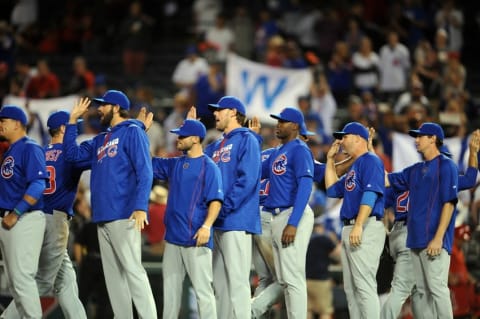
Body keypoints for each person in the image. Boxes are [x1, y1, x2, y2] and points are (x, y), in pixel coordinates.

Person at [63, 90, 157, 318]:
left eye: (104, 105)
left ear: (116, 108)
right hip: (102, 216)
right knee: (114, 278)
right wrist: (72, 121)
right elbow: (72, 157)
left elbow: (145, 172)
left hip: (125, 213)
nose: (99, 109)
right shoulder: (100, 139)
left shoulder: (133, 131)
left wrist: (140, 206)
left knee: (133, 272)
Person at [381, 131, 480, 319]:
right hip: (413, 236)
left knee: (425, 289)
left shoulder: (431, 171)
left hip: (410, 233)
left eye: (421, 136)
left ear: (433, 140)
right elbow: (469, 179)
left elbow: (385, 185)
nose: (416, 140)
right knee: (421, 289)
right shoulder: (419, 172)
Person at [1, 110, 89, 318]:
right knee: (39, 282)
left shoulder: (38, 150)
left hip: (36, 216)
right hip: (54, 219)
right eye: (71, 126)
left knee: (66, 281)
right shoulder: (69, 154)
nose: (75, 129)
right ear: (62, 128)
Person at [190, 95, 261, 319]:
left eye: (219, 110)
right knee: (219, 286)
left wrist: (223, 207)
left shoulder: (247, 139)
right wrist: (190, 130)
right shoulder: (217, 145)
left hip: (237, 220)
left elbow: (247, 180)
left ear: (232, 112)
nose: (215, 114)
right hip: (218, 222)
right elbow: (195, 158)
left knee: (238, 284)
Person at [152, 119, 224, 319]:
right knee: (171, 293)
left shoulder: (209, 167)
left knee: (203, 292)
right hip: (173, 238)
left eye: (182, 135)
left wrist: (207, 227)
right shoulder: (176, 163)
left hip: (196, 237)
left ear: (195, 139)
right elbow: (146, 163)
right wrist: (141, 134)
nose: (178, 138)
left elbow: (216, 201)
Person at [324, 121, 386, 319]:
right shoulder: (356, 165)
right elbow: (332, 190)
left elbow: (371, 193)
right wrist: (329, 159)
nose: (341, 140)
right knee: (351, 290)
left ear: (359, 139)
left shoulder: (371, 161)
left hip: (365, 226)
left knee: (364, 287)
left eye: (345, 136)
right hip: (351, 227)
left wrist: (359, 225)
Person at [258, 107, 315, 319]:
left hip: (292, 213)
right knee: (284, 280)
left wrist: (293, 221)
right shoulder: (279, 151)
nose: (278, 125)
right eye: (277, 121)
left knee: (293, 278)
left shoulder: (299, 149)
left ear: (295, 126)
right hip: (276, 216)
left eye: (283, 122)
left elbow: (305, 185)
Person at [0, 105, 47, 318]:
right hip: (11, 219)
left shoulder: (30, 147)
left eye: (4, 120)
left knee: (22, 279)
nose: (0, 124)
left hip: (24, 218)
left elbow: (38, 185)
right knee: (14, 283)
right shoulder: (11, 149)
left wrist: (16, 212)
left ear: (17, 123)